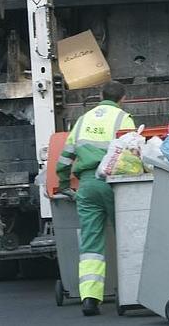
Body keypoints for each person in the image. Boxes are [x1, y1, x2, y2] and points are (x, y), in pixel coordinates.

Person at [56, 80, 135, 316]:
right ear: (123, 98)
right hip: (115, 185)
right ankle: (130, 294)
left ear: (101, 96)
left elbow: (64, 158)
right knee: (127, 237)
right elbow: (132, 154)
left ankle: (90, 298)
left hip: (87, 186)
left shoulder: (82, 121)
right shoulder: (123, 118)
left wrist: (63, 184)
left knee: (91, 243)